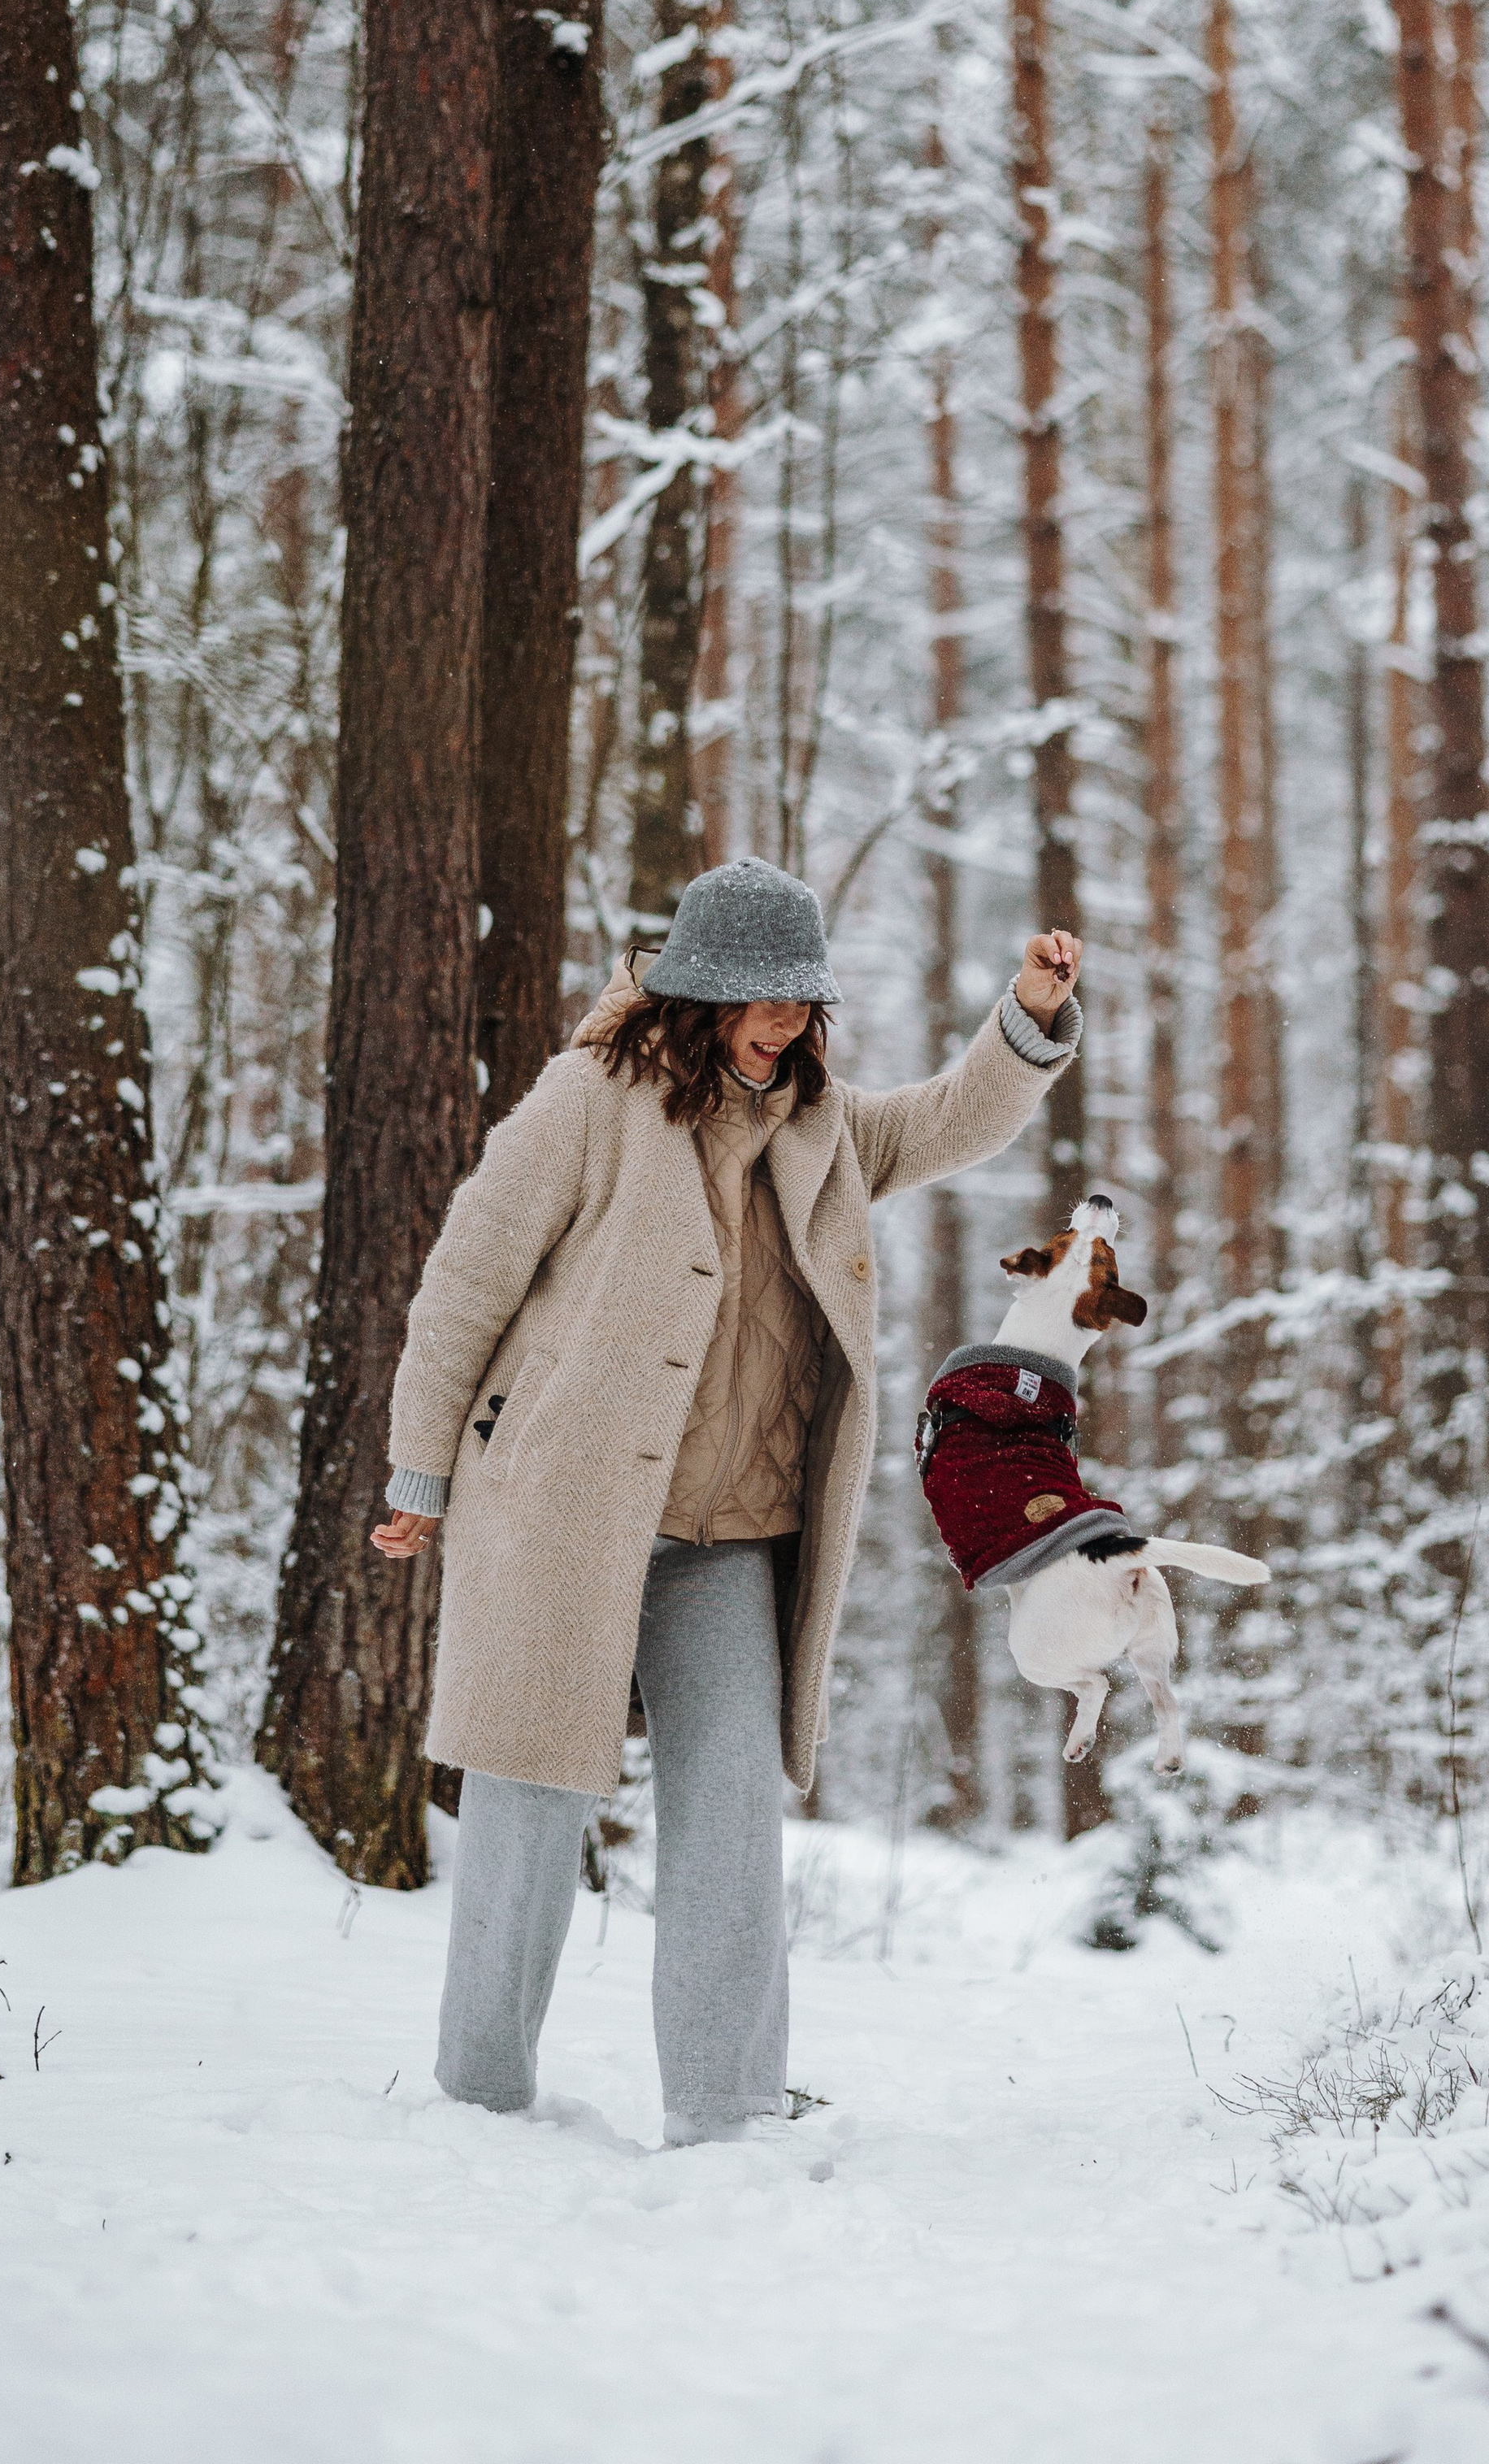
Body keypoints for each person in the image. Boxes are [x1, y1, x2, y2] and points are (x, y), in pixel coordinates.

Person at [371, 855, 1083, 2145]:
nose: (782, 1027)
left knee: (732, 1816)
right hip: (562, 1508)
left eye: (801, 1005)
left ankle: (730, 2108)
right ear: (693, 998)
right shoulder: (589, 1101)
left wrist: (1026, 1021)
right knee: (529, 1798)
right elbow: (465, 1281)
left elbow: (948, 1121)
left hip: (730, 1533)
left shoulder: (823, 1126)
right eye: (758, 1004)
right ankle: (478, 2101)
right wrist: (420, 1472)